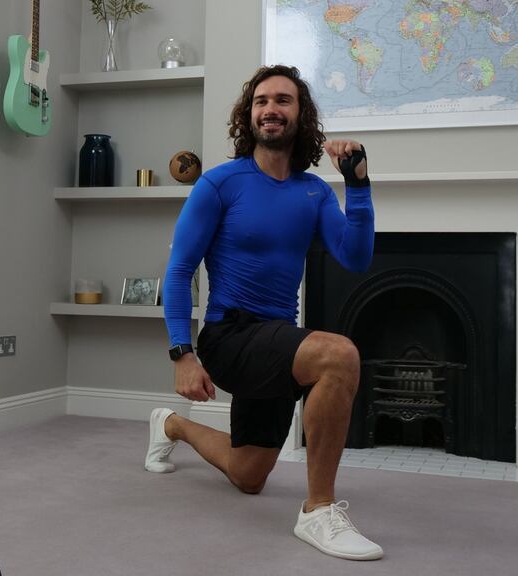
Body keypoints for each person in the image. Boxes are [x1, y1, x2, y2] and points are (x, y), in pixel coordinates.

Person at [147, 64, 382, 561]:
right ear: (248, 115)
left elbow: (356, 258)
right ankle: (319, 512)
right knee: (338, 355)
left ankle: (172, 425)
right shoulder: (219, 184)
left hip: (275, 338)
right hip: (229, 336)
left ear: (301, 115)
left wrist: (357, 184)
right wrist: (181, 354)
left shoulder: (314, 191)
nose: (270, 109)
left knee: (248, 474)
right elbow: (178, 270)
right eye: (261, 101)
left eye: (283, 100)